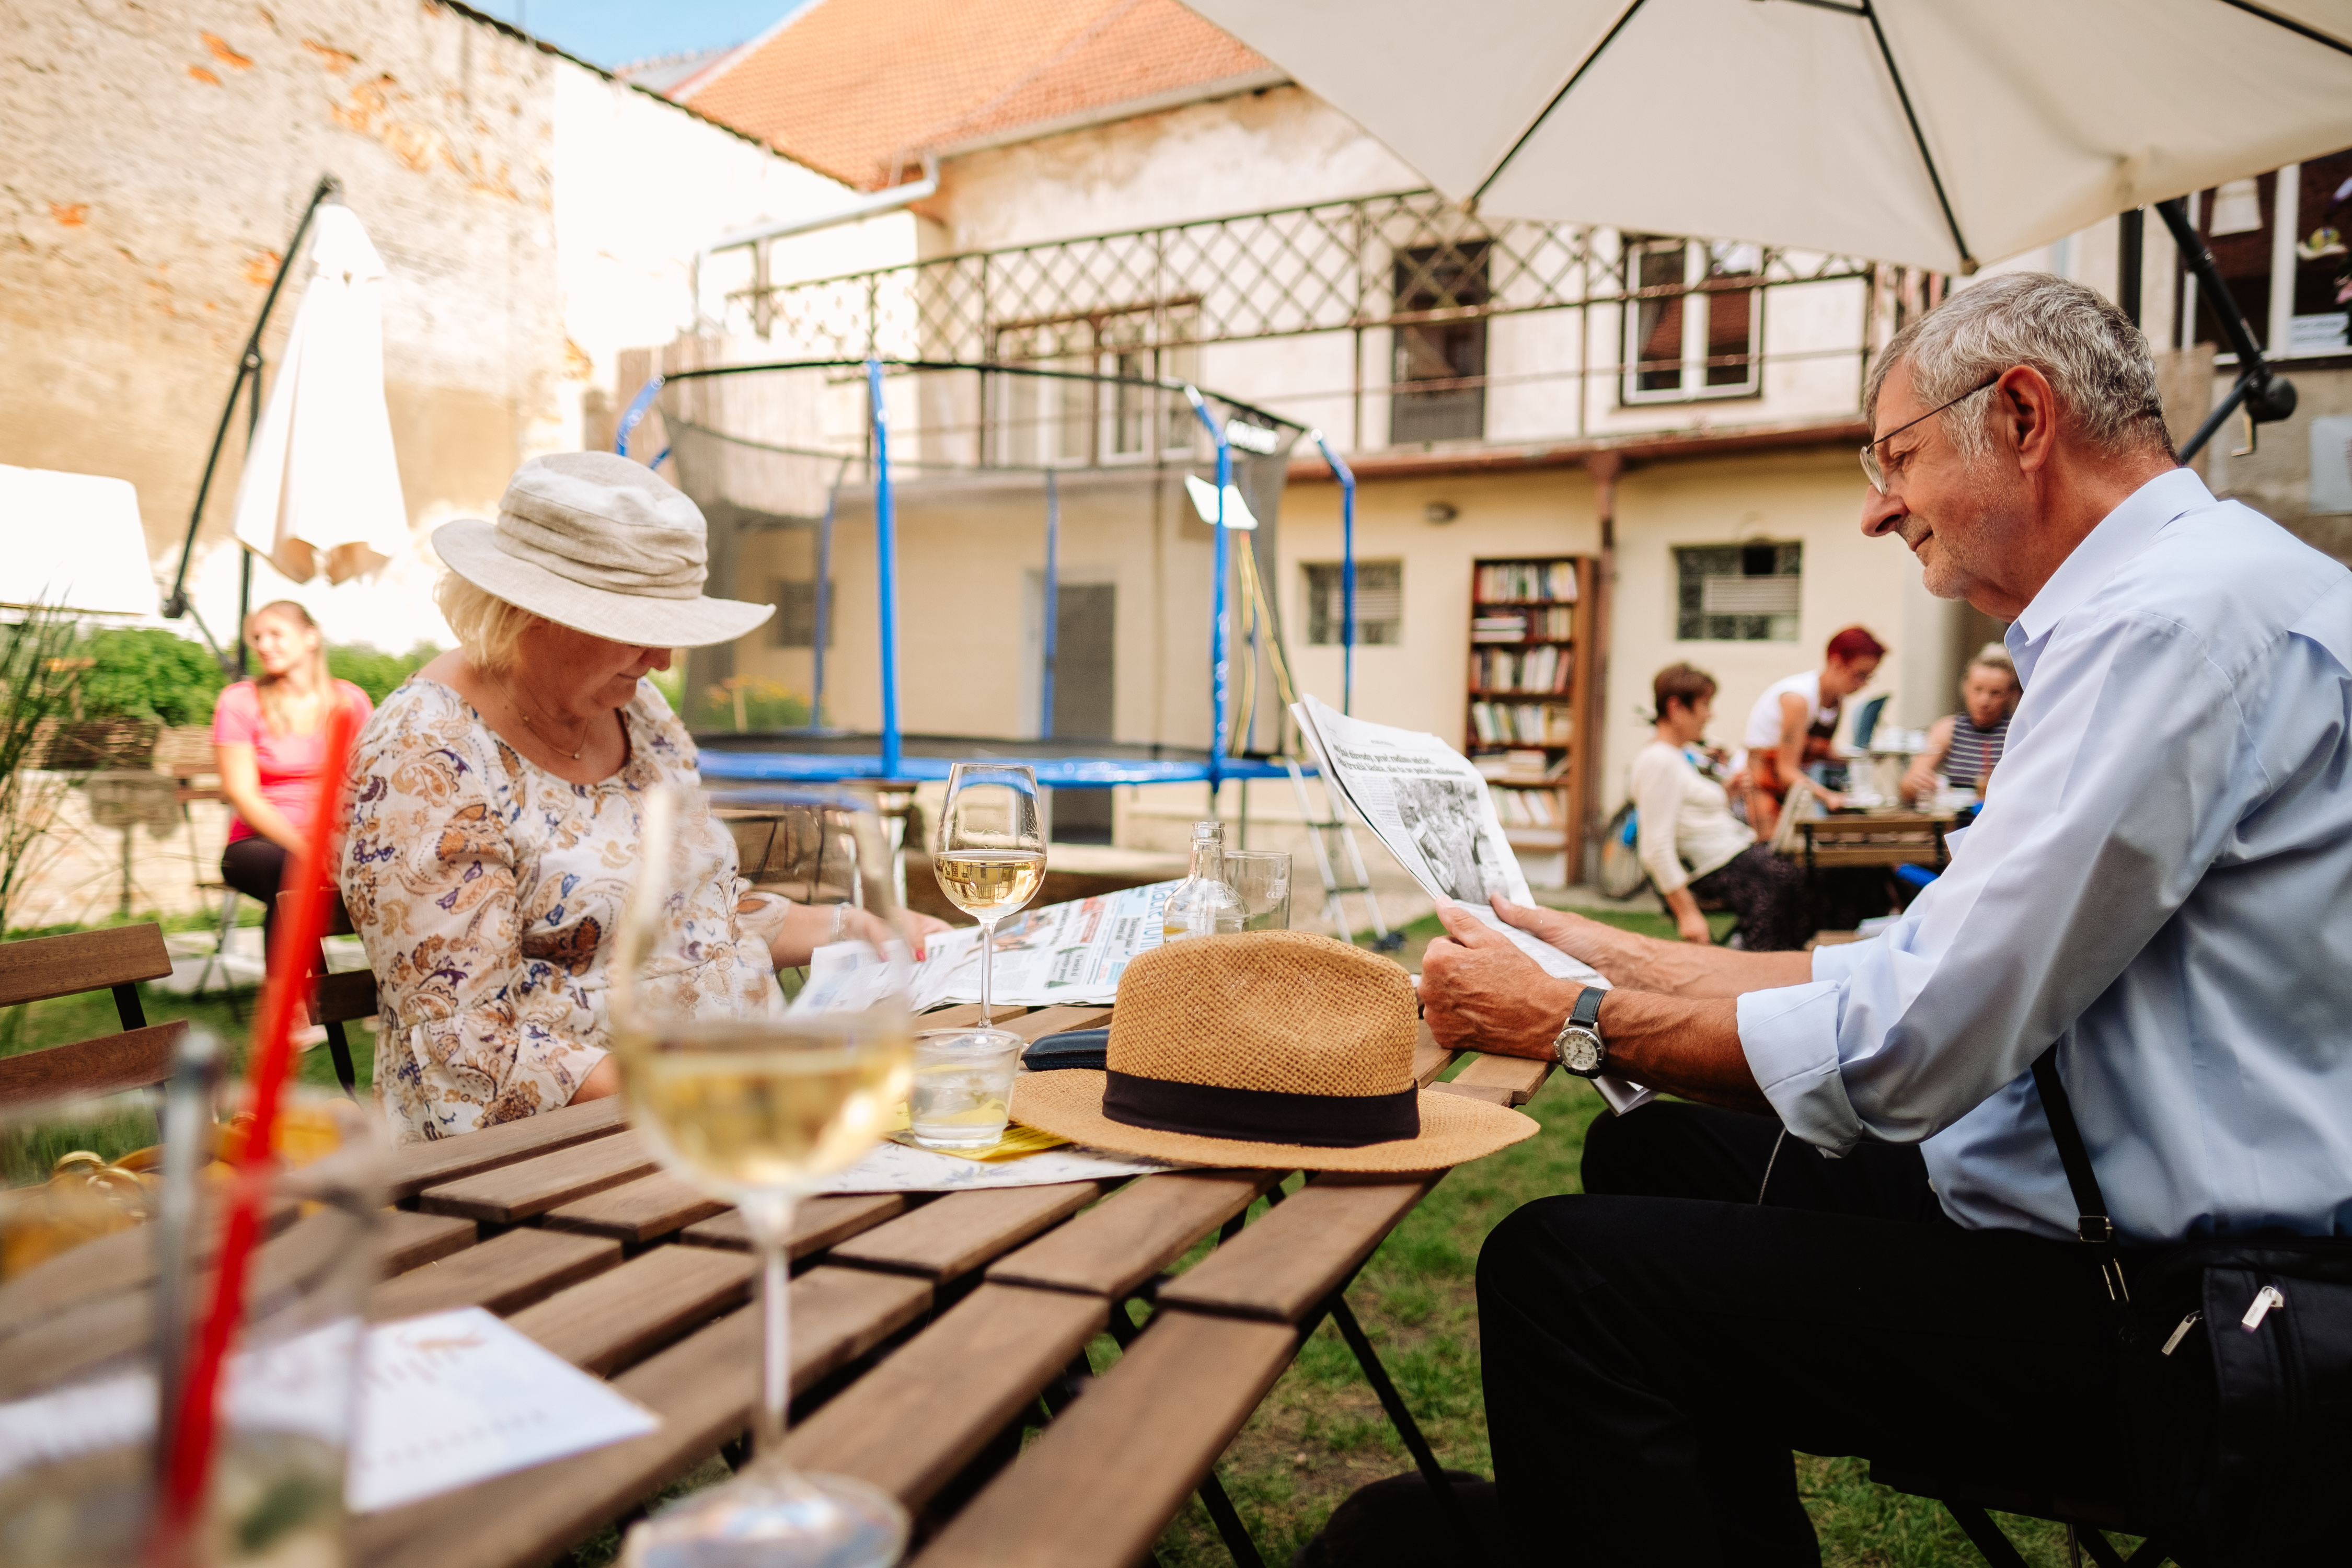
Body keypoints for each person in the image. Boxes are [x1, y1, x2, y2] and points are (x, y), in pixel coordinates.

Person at [1415, 272, 2352, 1564]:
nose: (1872, 505)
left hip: (2192, 1323)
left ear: (2020, 417)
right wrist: (1620, 953)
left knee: (1562, 1277)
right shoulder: (2199, 593)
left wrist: (1574, 1023)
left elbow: (1916, 1040)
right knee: (1655, 1161)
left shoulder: (2164, 632)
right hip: (2141, 1228)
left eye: (1892, 455)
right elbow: (1931, 958)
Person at [340, 452, 948, 1144]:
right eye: (639, 626)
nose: (664, 659)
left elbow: (691, 917)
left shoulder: (639, 710)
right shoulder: (426, 756)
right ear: (528, 610)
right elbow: (470, 1054)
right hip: (560, 1157)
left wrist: (850, 927)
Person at [213, 600, 374, 969]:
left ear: (310, 638)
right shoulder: (239, 701)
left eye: (275, 635)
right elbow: (242, 794)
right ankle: (300, 1008)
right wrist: (308, 848)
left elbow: (373, 779)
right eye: (257, 637)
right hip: (259, 845)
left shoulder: (350, 700)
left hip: (337, 840)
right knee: (293, 871)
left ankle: (387, 996)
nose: (263, 645)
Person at [1630, 663, 1808, 951]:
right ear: (1677, 709)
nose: (1710, 714)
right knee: (1787, 880)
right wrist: (1688, 915)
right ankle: (1761, 967)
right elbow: (1655, 848)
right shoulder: (1658, 761)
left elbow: (1691, 812)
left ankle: (1779, 964)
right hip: (1715, 867)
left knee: (1806, 874)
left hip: (1729, 856)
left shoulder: (1678, 755)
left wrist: (1727, 793)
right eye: (1704, 705)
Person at [1742, 625, 1884, 837]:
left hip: (1792, 789)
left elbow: (1820, 752)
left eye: (1869, 677)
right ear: (1836, 663)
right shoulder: (1798, 700)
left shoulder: (1837, 700)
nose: (1864, 684)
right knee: (1778, 857)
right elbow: (1786, 770)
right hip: (1760, 783)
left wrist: (1866, 756)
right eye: (1860, 675)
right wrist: (1827, 797)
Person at [1900, 642, 2019, 803]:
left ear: (2011, 695)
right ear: (1965, 687)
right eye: (1978, 689)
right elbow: (1907, 786)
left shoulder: (2018, 732)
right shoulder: (1948, 729)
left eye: (1996, 693)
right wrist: (1917, 783)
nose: (1984, 701)